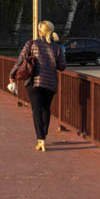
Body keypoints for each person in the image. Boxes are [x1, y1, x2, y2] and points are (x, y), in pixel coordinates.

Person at [10, 21, 67, 153]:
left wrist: (12, 74)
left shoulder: (32, 44)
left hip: (34, 82)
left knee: (36, 111)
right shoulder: (57, 48)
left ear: (39, 32)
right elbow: (62, 67)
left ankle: (40, 140)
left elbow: (20, 60)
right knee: (46, 109)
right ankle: (44, 135)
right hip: (50, 83)